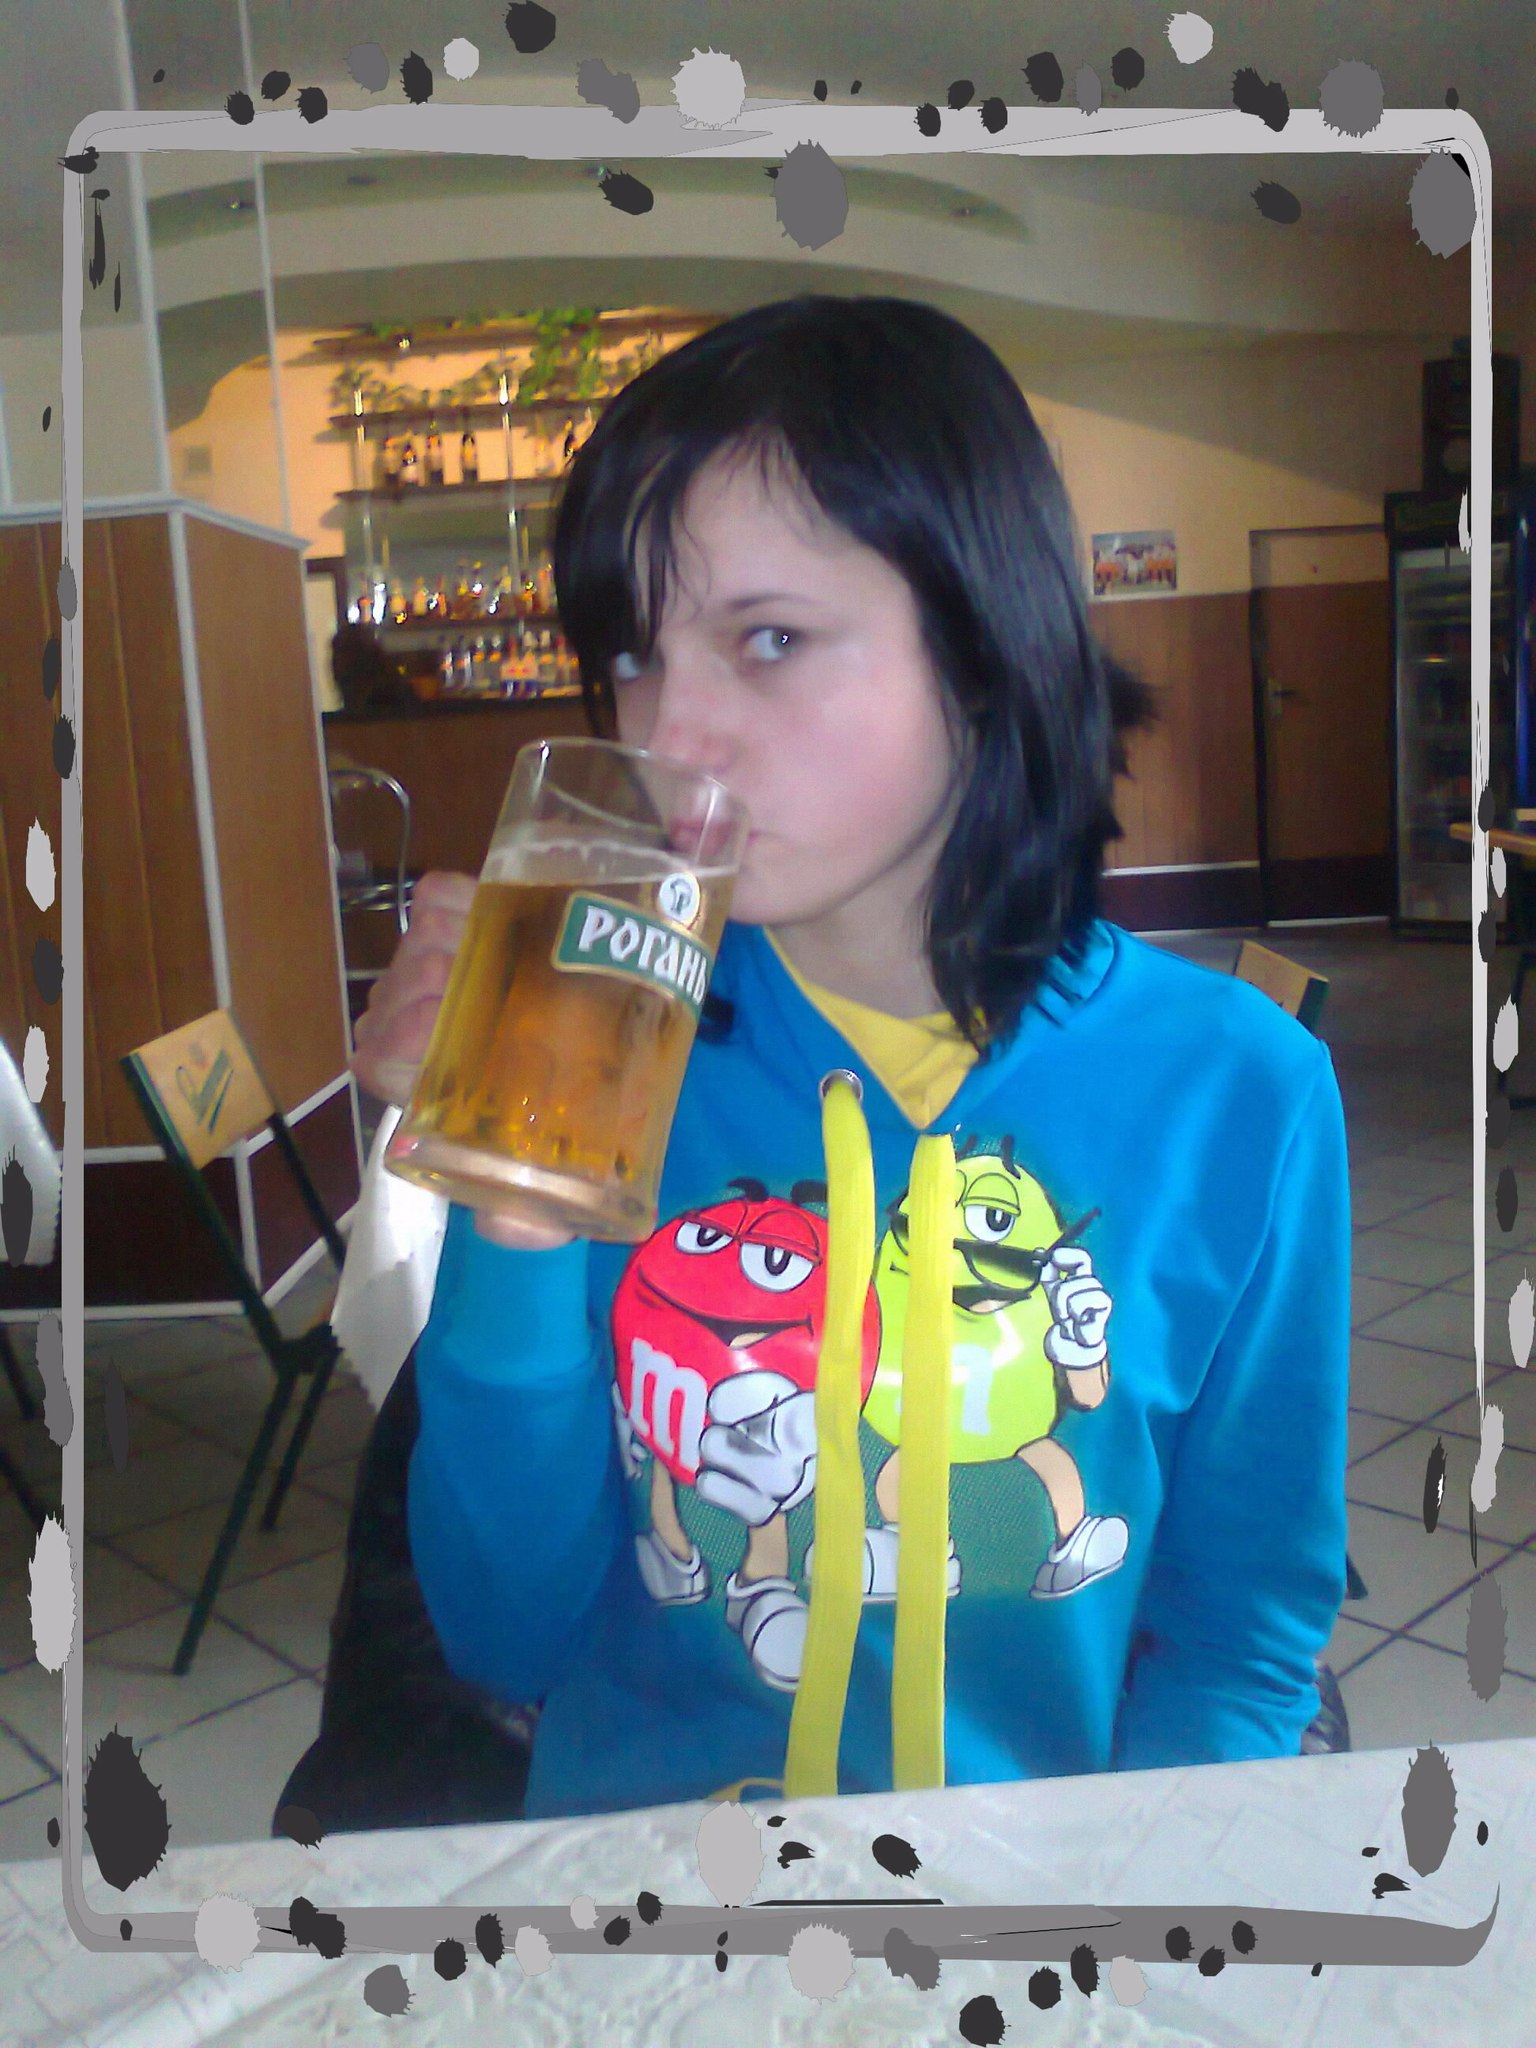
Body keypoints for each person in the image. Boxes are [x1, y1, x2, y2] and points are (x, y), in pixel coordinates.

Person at [280, 294, 1350, 1831]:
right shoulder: (606, 1047)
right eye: (636, 656)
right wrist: (515, 1197)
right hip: (651, 1902)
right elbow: (505, 1636)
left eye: (770, 639)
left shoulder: (1239, 1093)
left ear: (981, 646)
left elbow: (1239, 1640)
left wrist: (1135, 1912)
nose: (675, 737)